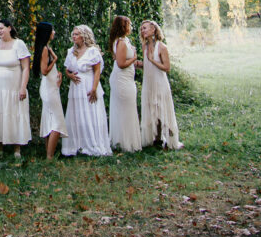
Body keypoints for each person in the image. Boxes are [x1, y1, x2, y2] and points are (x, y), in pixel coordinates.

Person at [0, 19, 31, 158]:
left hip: (13, 88)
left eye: (2, 28)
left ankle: (17, 148)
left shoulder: (19, 44)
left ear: (9, 28)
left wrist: (23, 88)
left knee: (14, 113)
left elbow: (26, 68)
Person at [62, 24, 112, 157]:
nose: (74, 36)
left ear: (84, 37)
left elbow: (97, 72)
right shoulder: (71, 51)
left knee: (90, 113)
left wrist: (94, 88)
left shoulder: (92, 51)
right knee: (77, 115)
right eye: (73, 34)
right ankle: (77, 145)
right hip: (75, 87)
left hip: (89, 84)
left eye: (77, 34)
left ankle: (92, 144)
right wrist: (70, 75)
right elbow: (67, 69)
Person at [138, 20, 182, 150]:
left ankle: (170, 139)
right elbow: (147, 66)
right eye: (141, 29)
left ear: (153, 30)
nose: (143, 31)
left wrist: (152, 61)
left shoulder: (162, 47)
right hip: (149, 83)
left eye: (145, 28)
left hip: (160, 83)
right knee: (152, 109)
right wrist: (139, 64)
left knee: (162, 109)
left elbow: (167, 67)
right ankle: (156, 138)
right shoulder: (144, 47)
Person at [32, 21, 67, 159]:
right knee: (57, 121)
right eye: (52, 30)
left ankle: (49, 154)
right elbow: (44, 71)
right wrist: (55, 60)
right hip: (48, 89)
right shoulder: (45, 49)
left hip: (51, 86)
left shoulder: (46, 47)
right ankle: (50, 156)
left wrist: (57, 73)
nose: (54, 33)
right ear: (47, 33)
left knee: (50, 120)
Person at [108, 15, 142, 153]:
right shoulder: (120, 42)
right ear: (123, 26)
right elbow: (121, 63)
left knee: (129, 108)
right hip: (121, 79)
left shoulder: (124, 40)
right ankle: (123, 142)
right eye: (129, 24)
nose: (131, 27)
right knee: (124, 108)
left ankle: (128, 140)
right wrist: (134, 58)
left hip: (127, 78)